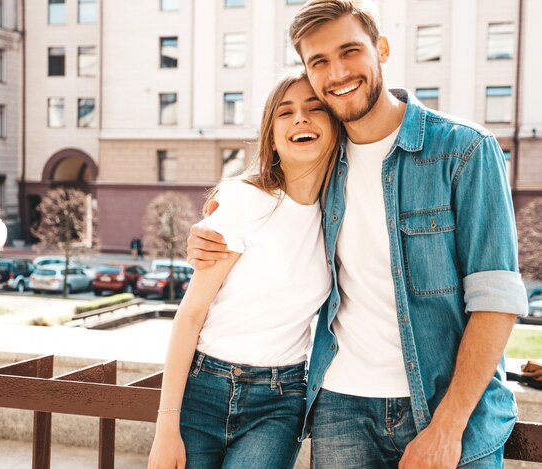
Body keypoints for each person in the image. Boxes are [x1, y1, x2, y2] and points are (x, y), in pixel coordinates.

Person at [186, 1, 529, 467]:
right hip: (339, 410)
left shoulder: (464, 150)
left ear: (381, 49)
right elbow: (265, 199)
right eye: (319, 61)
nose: (338, 72)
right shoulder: (324, 156)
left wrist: (448, 427)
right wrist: (209, 230)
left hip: (444, 412)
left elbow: (496, 300)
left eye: (350, 51)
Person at [148, 74, 340, 468]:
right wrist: (166, 427)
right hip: (203, 389)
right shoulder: (243, 200)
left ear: (335, 127)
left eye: (314, 108)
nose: (300, 119)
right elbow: (190, 314)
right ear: (271, 136)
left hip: (279, 400)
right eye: (285, 113)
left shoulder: (338, 215)